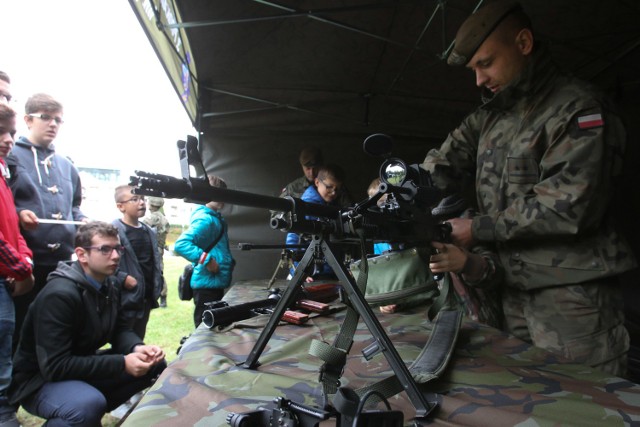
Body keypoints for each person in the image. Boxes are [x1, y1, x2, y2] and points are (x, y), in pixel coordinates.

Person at [420, 0, 636, 376]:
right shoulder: (491, 116)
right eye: (474, 69)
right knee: (526, 401)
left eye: (485, 63)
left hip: (569, 297)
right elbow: (441, 164)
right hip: (507, 291)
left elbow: (567, 207)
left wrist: (476, 229)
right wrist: (402, 190)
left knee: (586, 404)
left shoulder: (577, 109)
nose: (479, 80)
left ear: (523, 43)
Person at [8, 222, 166, 425]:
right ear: (82, 255)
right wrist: (122, 363)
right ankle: (81, 410)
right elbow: (55, 366)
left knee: (155, 365)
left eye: (118, 248)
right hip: (38, 381)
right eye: (105, 249)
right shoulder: (59, 295)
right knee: (87, 405)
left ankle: (85, 412)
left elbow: (119, 329)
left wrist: (138, 348)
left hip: (77, 365)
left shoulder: (110, 284)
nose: (116, 256)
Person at [9, 93, 88, 348]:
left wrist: (81, 220)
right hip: (24, 264)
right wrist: (19, 214)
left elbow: (74, 206)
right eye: (46, 117)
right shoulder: (10, 158)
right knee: (19, 331)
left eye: (58, 120)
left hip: (61, 264)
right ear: (28, 120)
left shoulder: (67, 165)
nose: (53, 124)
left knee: (55, 328)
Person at [0, 103, 34, 427]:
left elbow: (12, 227)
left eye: (11, 132)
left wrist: (25, 258)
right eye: (1, 132)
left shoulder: (3, 171)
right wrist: (22, 270)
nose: (9, 140)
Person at [174, 175, 235, 328]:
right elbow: (181, 244)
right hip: (206, 286)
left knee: (213, 324)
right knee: (205, 328)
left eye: (223, 193)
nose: (222, 198)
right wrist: (207, 260)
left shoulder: (214, 218)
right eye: (216, 193)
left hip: (213, 283)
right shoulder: (206, 220)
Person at [112, 186, 163, 340]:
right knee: (123, 341)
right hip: (125, 300)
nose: (141, 203)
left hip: (145, 297)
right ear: (121, 206)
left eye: (142, 198)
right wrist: (123, 278)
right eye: (134, 199)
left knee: (138, 338)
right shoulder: (113, 231)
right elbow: (103, 265)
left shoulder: (148, 231)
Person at [285, 164, 346, 282]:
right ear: (317, 182)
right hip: (310, 275)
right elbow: (293, 240)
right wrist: (298, 271)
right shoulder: (306, 207)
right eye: (329, 187)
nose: (334, 192)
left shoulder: (332, 205)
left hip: (329, 273)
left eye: (337, 189)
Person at [141, 196, 169, 308]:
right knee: (159, 272)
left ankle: (158, 297)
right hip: (159, 248)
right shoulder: (163, 217)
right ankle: (162, 298)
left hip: (153, 249)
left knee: (156, 273)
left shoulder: (151, 218)